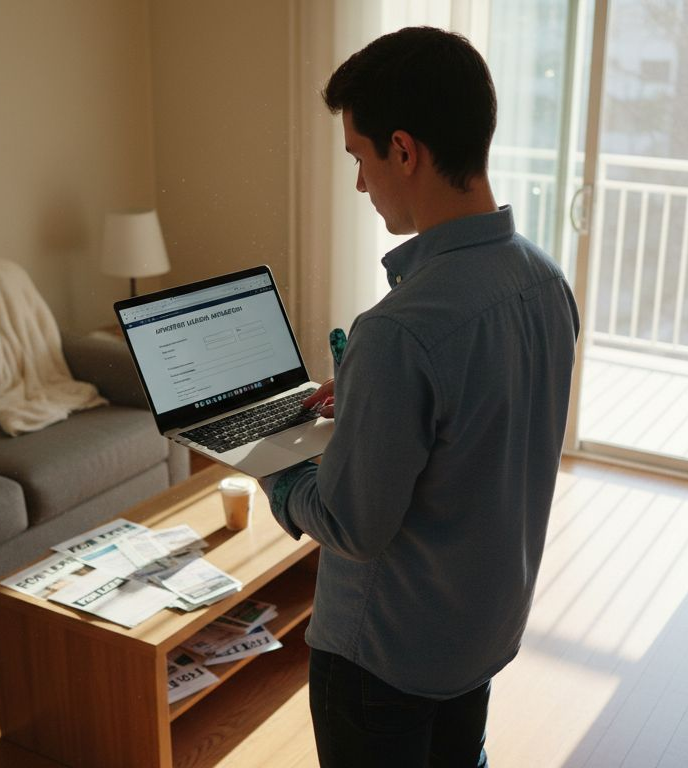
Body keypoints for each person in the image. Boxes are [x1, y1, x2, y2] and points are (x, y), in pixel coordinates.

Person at [258, 26, 580, 768]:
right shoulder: (545, 282)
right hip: (477, 632)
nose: (361, 184)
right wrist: (372, 400)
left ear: (403, 150)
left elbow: (351, 524)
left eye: (360, 159)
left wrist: (272, 463)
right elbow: (482, 438)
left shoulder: (400, 330)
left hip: (384, 658)